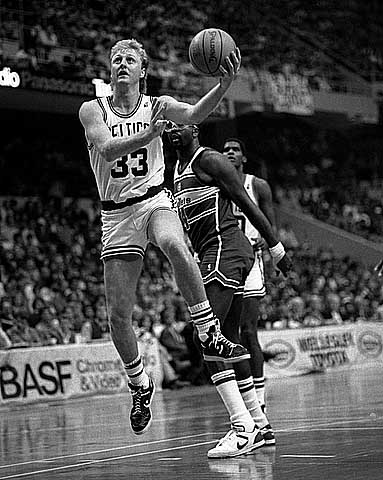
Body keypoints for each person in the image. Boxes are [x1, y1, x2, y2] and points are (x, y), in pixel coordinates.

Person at [78, 38, 248, 436]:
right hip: (116, 214)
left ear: (142, 70)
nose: (122, 64)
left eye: (130, 60)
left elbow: (192, 113)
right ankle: (139, 384)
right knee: (118, 316)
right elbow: (105, 149)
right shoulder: (92, 109)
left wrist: (224, 85)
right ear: (111, 68)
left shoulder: (157, 104)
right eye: (116, 58)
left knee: (174, 243)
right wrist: (148, 134)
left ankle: (209, 332)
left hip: (154, 200)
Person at [167, 123, 292, 457]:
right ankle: (260, 426)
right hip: (213, 253)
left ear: (194, 128)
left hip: (227, 248)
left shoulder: (209, 160)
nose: (171, 130)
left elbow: (248, 206)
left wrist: (277, 248)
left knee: (205, 335)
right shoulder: (176, 170)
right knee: (230, 338)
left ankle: (242, 426)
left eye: (179, 125)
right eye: (167, 126)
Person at [222, 138, 277, 414]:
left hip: (252, 260)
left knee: (248, 330)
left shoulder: (257, 185)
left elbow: (269, 225)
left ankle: (260, 397)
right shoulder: (215, 182)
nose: (229, 153)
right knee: (226, 334)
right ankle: (243, 401)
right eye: (225, 150)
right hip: (224, 262)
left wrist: (275, 256)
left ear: (244, 157)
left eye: (235, 150)